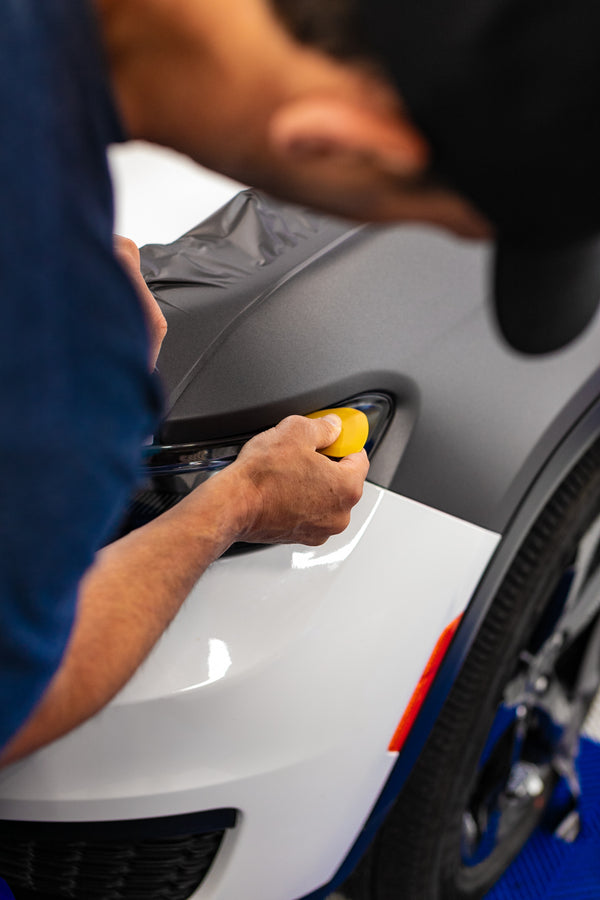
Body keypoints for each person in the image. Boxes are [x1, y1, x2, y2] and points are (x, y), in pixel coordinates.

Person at [1, 0, 598, 766]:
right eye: (412, 216)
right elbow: (20, 699)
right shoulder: (62, 322)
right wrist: (233, 502)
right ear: (334, 146)